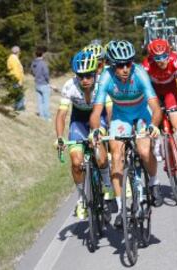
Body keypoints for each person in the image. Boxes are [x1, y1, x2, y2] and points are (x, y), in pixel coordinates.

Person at [89, 40, 163, 228]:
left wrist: (154, 125)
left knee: (144, 151)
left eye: (128, 63)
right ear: (112, 66)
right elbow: (96, 112)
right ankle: (122, 208)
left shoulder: (139, 73)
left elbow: (155, 107)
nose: (125, 68)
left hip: (141, 113)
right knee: (116, 155)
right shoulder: (106, 77)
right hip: (120, 116)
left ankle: (153, 183)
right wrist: (96, 130)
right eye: (120, 65)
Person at [55, 51, 113, 220]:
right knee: (76, 162)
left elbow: (109, 111)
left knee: (100, 156)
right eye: (81, 76)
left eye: (88, 76)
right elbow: (61, 115)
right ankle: (81, 198)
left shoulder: (103, 84)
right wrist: (60, 137)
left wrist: (111, 129)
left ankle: (107, 185)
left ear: (96, 73)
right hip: (78, 122)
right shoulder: (69, 86)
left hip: (99, 118)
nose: (85, 80)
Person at [142, 38, 177, 186]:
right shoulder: (147, 64)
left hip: (171, 91)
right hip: (154, 92)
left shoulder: (174, 59)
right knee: (151, 120)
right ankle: (156, 141)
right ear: (152, 56)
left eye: (164, 56)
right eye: (157, 57)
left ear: (168, 53)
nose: (162, 60)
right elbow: (142, 87)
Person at [31, 46, 51, 121]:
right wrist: (48, 81)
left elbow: (32, 72)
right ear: (42, 54)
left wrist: (36, 76)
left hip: (37, 84)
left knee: (40, 101)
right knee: (46, 101)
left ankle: (41, 116)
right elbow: (46, 73)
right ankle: (47, 117)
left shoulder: (33, 63)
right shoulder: (43, 63)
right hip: (44, 84)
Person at [7, 46, 25, 111]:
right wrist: (19, 80)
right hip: (17, 79)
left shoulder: (10, 58)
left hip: (13, 78)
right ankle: (19, 107)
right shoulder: (14, 59)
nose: (20, 52)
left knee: (15, 93)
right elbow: (16, 71)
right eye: (19, 51)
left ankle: (16, 106)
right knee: (19, 94)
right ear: (17, 52)